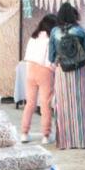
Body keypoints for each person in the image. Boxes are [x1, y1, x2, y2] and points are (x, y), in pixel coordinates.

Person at [48, 2, 85, 149]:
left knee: (63, 106)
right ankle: (83, 141)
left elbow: (51, 56)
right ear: (74, 15)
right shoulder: (79, 31)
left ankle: (64, 142)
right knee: (81, 106)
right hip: (79, 71)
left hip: (62, 71)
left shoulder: (54, 32)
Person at [21, 14, 57, 145]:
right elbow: (51, 60)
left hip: (30, 69)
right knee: (45, 105)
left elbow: (27, 56)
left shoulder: (33, 37)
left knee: (30, 103)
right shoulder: (51, 39)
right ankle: (46, 135)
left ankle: (24, 133)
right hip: (45, 71)